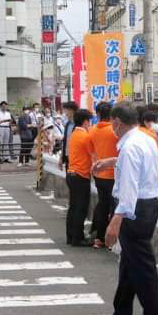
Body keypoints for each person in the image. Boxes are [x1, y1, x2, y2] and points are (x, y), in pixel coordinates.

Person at [95, 102, 158, 315]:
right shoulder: (144, 139)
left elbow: (128, 187)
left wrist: (116, 219)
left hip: (133, 210)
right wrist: (110, 162)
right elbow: (139, 170)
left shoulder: (130, 147)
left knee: (143, 272)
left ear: (116, 122)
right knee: (129, 266)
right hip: (147, 206)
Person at [88, 102, 118, 249]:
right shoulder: (115, 131)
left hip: (99, 174)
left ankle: (99, 239)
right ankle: (110, 241)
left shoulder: (92, 131)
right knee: (114, 207)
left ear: (97, 114)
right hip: (114, 175)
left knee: (102, 205)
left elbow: (91, 151)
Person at [65, 109, 94, 247]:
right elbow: (93, 155)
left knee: (73, 207)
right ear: (85, 121)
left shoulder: (74, 134)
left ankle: (70, 236)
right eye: (90, 121)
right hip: (81, 175)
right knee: (81, 208)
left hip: (71, 173)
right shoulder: (85, 137)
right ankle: (78, 238)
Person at [59, 101, 78, 170]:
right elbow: (65, 142)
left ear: (71, 110)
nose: (64, 113)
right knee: (69, 179)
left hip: (76, 158)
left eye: (65, 110)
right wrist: (61, 158)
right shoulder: (67, 124)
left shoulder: (79, 125)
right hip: (67, 157)